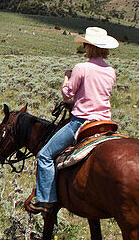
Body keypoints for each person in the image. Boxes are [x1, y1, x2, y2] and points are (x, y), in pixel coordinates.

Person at [24, 26, 119, 215]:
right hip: (105, 123)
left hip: (81, 122)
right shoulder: (110, 71)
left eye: (85, 45)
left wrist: (66, 77)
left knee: (44, 155)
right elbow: (95, 95)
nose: (84, 48)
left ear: (89, 47)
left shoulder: (81, 68)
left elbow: (67, 94)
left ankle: (46, 200)